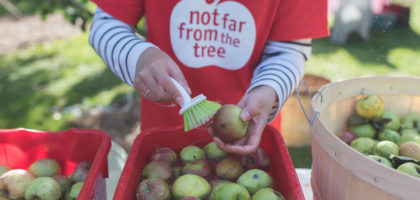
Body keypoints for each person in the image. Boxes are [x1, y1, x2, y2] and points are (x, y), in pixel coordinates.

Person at [88, 0, 329, 155]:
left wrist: (270, 88)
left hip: (250, 134)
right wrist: (139, 56)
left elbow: (289, 50)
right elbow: (106, 25)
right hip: (164, 140)